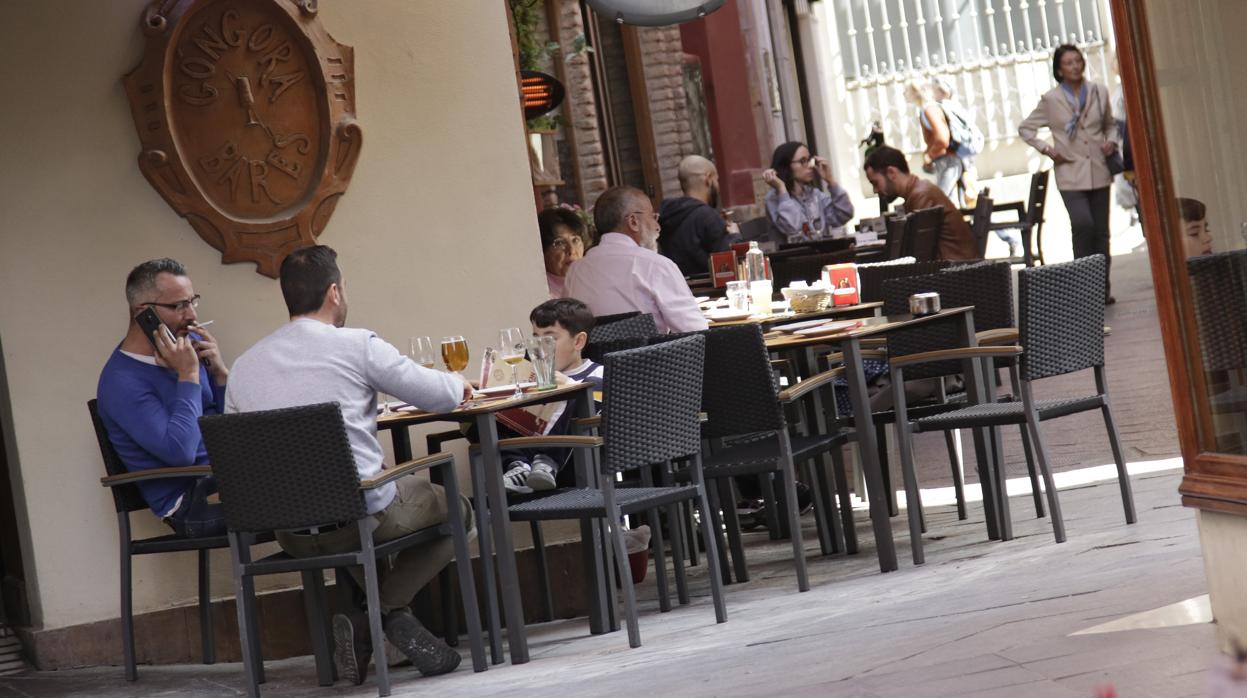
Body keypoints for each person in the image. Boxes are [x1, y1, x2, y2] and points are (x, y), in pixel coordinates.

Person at [224, 245, 473, 684]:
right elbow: (437, 396)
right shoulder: (357, 345)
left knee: (359, 518)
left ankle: (370, 623)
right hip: (358, 517)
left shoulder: (244, 367)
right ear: (334, 291)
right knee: (459, 506)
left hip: (289, 529)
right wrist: (458, 381)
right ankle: (380, 614)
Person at [96, 258, 230, 539]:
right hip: (191, 503)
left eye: (193, 301)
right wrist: (189, 375)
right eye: (179, 306)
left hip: (229, 476)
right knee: (309, 498)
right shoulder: (122, 381)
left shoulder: (183, 352)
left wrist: (218, 373)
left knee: (327, 478)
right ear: (144, 313)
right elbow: (179, 452)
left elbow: (231, 425)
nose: (191, 314)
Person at [1019, 43, 1120, 303]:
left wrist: (1111, 141)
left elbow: (1110, 125)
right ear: (1059, 69)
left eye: (1078, 61)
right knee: (1083, 225)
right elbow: (1026, 129)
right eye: (1068, 63)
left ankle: (1102, 289)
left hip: (1098, 169)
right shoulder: (1051, 100)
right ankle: (1084, 288)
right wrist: (1049, 150)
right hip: (1070, 172)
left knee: (1101, 232)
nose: (1075, 66)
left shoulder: (1098, 91)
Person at [487, 298, 605, 493]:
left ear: (578, 341)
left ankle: (546, 462)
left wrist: (567, 384)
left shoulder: (597, 374)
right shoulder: (530, 378)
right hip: (528, 459)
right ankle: (518, 467)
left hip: (579, 460)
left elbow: (596, 402)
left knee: (581, 393)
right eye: (536, 337)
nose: (540, 346)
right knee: (476, 414)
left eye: (550, 338)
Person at [564, 185, 709, 333]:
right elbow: (696, 331)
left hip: (595, 356)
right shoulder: (655, 265)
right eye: (653, 217)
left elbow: (568, 329)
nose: (658, 226)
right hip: (654, 355)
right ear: (633, 222)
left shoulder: (575, 271)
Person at [862, 146, 978, 261]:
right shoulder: (918, 192)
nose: (875, 190)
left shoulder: (921, 195)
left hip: (956, 270)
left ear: (891, 172)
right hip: (956, 267)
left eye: (875, 183)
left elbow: (920, 252)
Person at [658, 155, 740, 276]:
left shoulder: (666, 215)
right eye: (717, 180)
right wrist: (734, 236)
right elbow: (725, 266)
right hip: (709, 291)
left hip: (678, 288)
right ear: (708, 178)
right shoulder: (707, 216)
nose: (718, 187)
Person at [762, 141, 855, 243]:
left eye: (809, 160)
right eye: (803, 161)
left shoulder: (814, 194)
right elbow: (793, 228)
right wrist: (781, 189)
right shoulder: (774, 198)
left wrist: (830, 180)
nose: (810, 166)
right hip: (793, 257)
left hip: (820, 254)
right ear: (786, 166)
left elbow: (844, 214)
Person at [905, 81, 963, 202]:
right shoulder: (927, 108)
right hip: (947, 160)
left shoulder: (929, 109)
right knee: (948, 202)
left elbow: (942, 139)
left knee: (940, 202)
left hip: (948, 160)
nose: (903, 94)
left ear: (916, 92)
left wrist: (929, 156)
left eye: (906, 90)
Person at [539, 207, 587, 298]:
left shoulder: (594, 280)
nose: (571, 250)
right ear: (543, 250)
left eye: (575, 240)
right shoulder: (540, 291)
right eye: (559, 243)